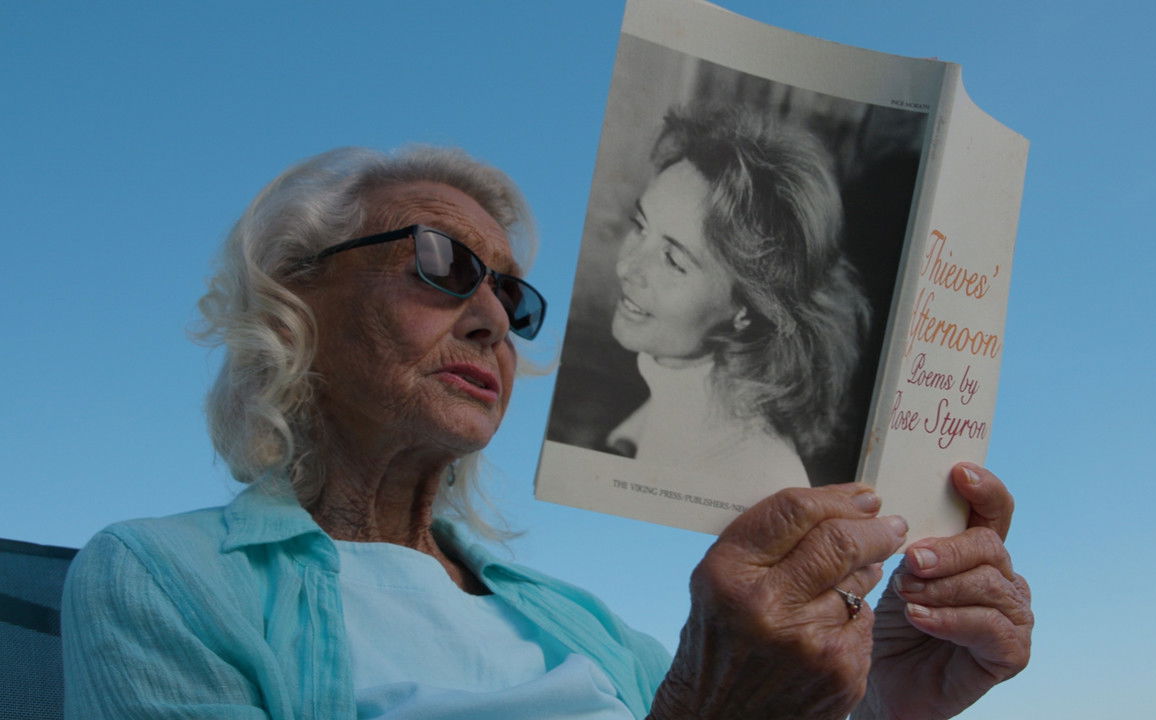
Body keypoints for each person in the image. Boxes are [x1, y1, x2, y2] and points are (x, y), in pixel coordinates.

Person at [61, 144, 1032, 719]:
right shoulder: (165, 582)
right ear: (294, 296)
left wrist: (885, 699)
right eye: (443, 263)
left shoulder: (590, 628)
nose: (492, 316)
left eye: (511, 295)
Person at [606, 104, 871, 487]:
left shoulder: (755, 476)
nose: (626, 267)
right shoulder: (683, 378)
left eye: (673, 260)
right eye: (640, 226)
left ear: (748, 306)